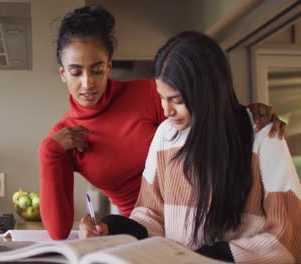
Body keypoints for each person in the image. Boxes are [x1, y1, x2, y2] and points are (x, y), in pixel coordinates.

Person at [40, 5, 286, 240]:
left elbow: (207, 117)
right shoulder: (64, 138)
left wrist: (243, 115)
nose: (87, 83)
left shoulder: (151, 95)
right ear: (63, 73)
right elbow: (58, 231)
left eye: (97, 69)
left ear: (109, 67)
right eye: (75, 72)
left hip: (204, 222)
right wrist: (49, 152)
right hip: (140, 231)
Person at [79, 31, 301, 263]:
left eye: (176, 100)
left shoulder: (264, 135)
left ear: (208, 93)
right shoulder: (166, 134)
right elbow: (150, 216)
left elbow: (287, 238)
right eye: (161, 98)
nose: (166, 111)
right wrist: (109, 228)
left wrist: (200, 258)